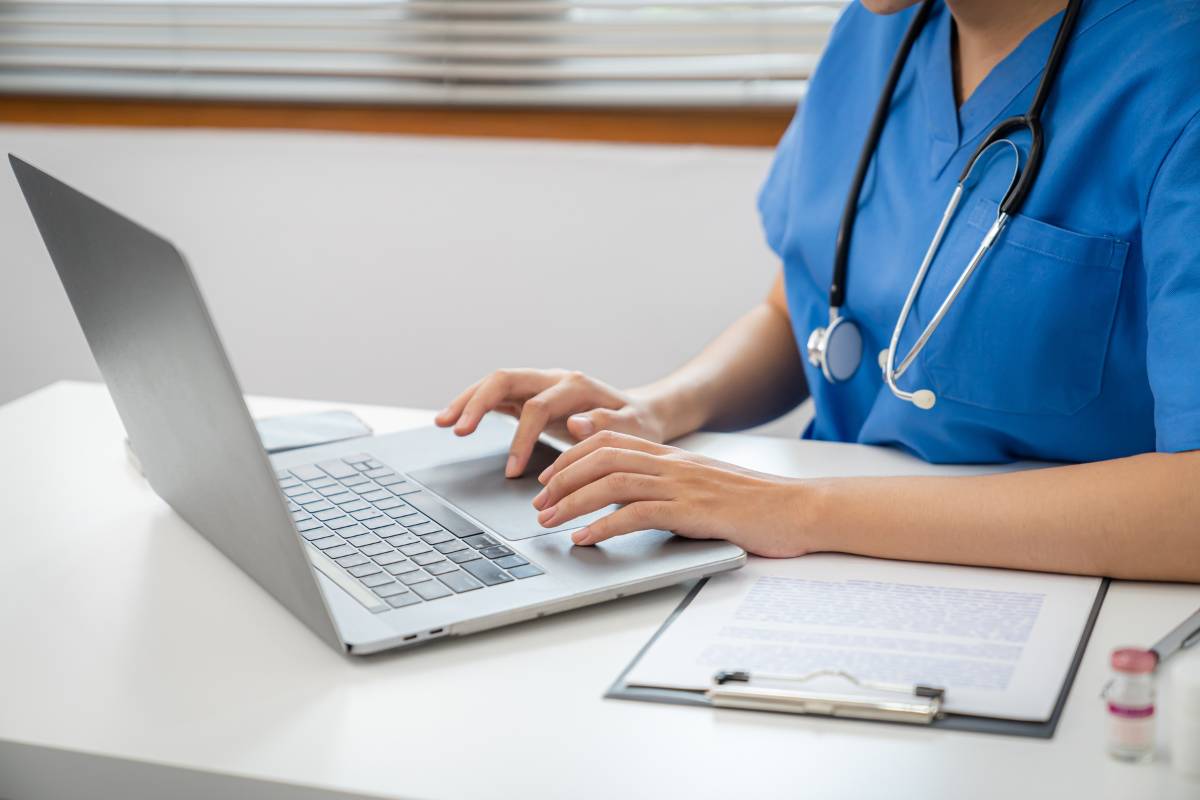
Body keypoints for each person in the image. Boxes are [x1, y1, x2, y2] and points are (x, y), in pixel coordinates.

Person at [437, 0, 1200, 581]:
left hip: (1059, 592)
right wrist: (654, 409)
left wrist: (790, 509)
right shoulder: (880, 30)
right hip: (824, 566)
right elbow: (801, 312)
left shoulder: (1174, 75)